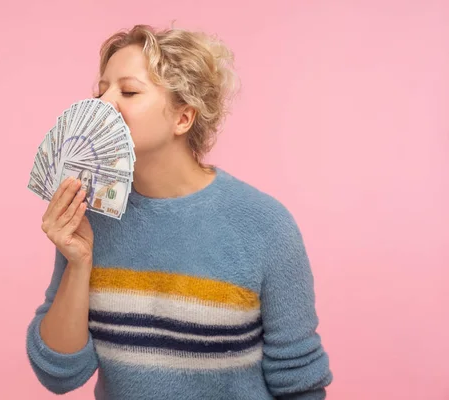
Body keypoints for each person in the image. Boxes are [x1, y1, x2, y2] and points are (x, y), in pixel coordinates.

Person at [27, 24, 333, 400]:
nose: (103, 104)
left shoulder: (265, 226)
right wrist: (78, 262)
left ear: (183, 118)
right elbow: (60, 374)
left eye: (128, 91)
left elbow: (299, 382)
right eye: (100, 89)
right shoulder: (91, 216)